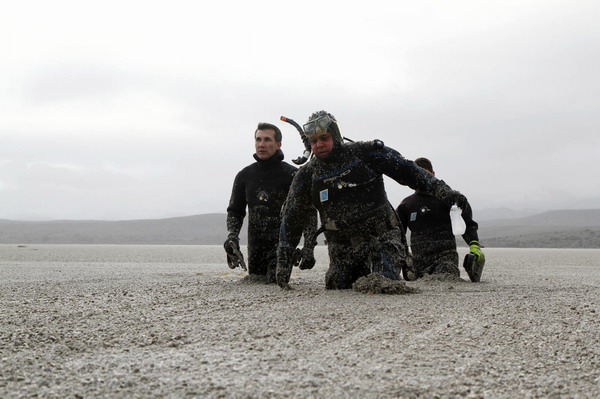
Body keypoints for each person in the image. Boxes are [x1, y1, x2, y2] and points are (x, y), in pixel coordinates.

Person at [275, 110, 471, 290]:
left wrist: (445, 192)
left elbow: (411, 171)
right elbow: (292, 218)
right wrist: (284, 262)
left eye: (324, 138)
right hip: (342, 246)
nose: (318, 145)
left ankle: (394, 265)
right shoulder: (307, 175)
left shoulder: (366, 154)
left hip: (381, 238)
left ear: (335, 135)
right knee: (337, 284)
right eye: (313, 141)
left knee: (383, 285)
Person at [225, 122, 317, 283]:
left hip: (282, 246)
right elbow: (235, 211)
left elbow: (308, 213)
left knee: (276, 282)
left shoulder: (293, 175)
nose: (262, 144)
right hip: (255, 247)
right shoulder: (244, 176)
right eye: (258, 140)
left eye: (267, 140)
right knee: (256, 282)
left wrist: (309, 247)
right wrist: (232, 236)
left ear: (278, 144)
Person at [396, 157, 485, 281]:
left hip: (446, 259)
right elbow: (397, 235)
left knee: (445, 279)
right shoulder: (406, 205)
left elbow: (468, 224)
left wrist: (474, 245)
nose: (421, 179)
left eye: (425, 174)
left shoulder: (450, 199)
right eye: (417, 176)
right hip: (418, 263)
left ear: (433, 174)